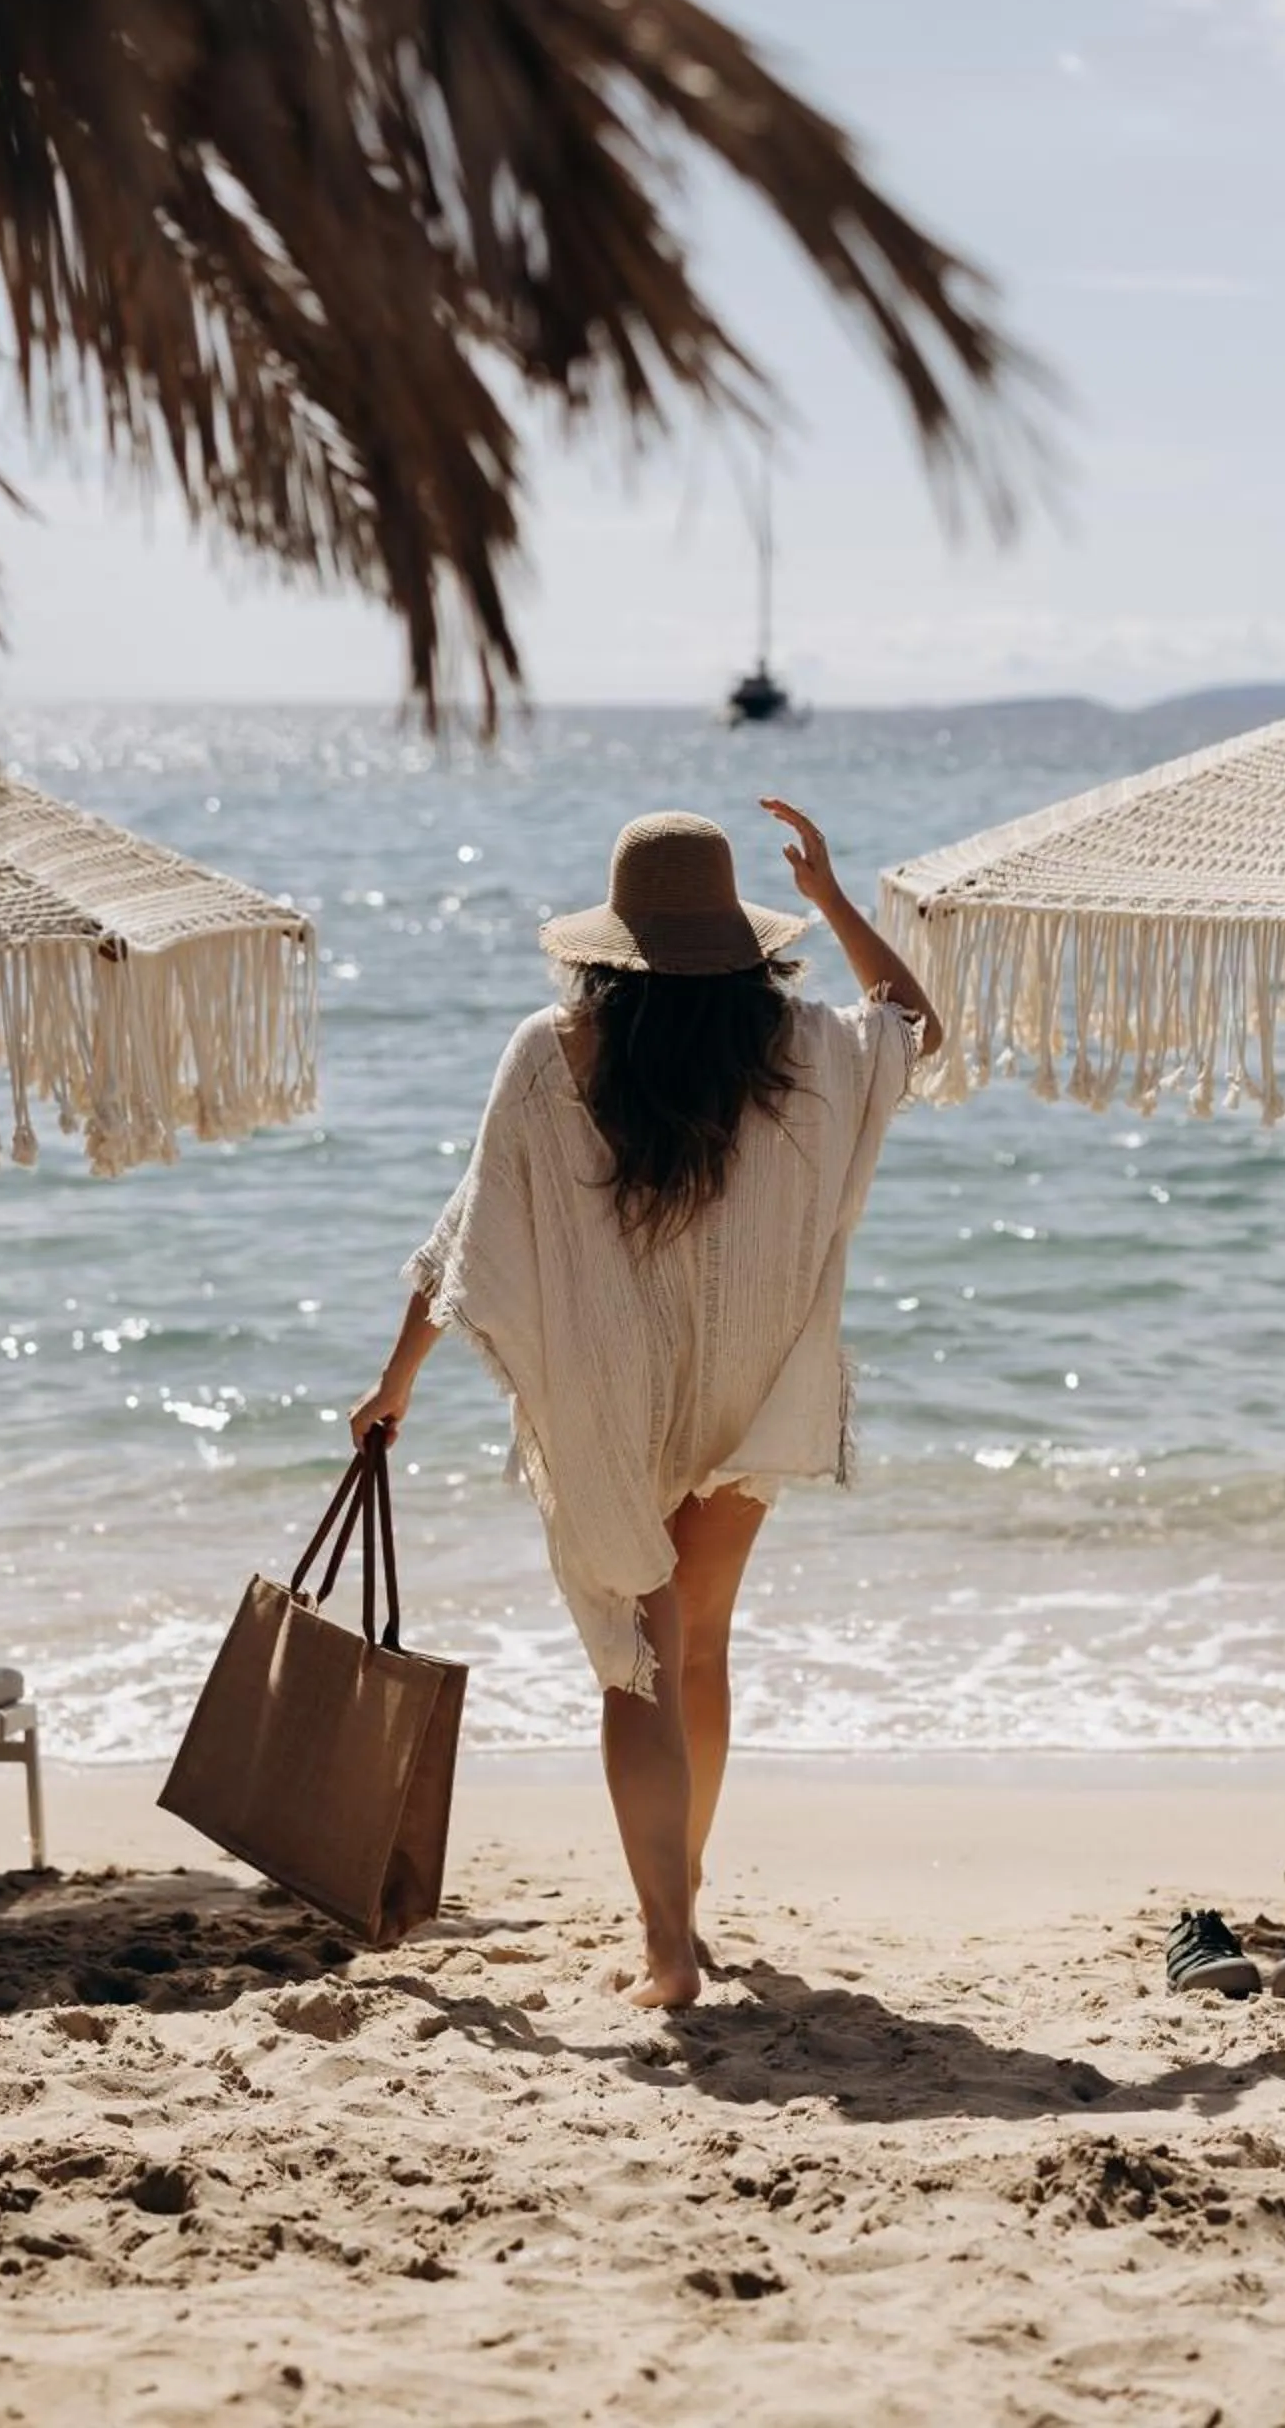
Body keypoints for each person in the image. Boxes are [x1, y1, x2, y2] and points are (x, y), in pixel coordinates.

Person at [349, 798, 943, 2008]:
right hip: (744, 1385)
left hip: (617, 1394)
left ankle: (665, 1947)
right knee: (704, 1651)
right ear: (742, 936)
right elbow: (915, 1028)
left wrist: (394, 1380)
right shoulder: (801, 1051)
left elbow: (471, 1237)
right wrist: (833, 897)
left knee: (639, 1663)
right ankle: (685, 1896)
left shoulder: (553, 1052)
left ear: (610, 943)